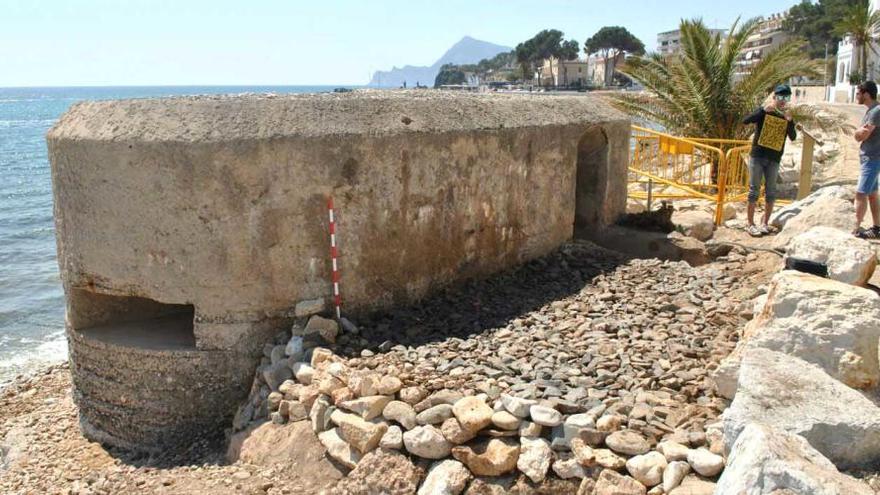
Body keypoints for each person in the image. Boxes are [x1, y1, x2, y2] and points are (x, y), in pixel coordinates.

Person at [741, 84, 798, 237]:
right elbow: (746, 120)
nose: (783, 101)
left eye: (786, 97)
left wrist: (790, 122)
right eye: (780, 97)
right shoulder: (765, 111)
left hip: (774, 158)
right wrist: (762, 111)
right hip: (758, 156)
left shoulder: (786, 115)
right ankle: (750, 224)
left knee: (771, 192)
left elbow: (793, 137)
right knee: (753, 191)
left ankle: (765, 223)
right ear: (774, 97)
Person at [853, 81, 880, 238]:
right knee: (872, 194)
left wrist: (857, 133)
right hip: (870, 158)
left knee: (861, 194)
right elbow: (860, 135)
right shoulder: (871, 111)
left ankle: (855, 229)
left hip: (872, 158)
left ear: (866, 94)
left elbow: (862, 135)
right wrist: (858, 133)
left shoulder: (876, 112)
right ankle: (877, 228)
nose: (857, 96)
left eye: (858, 93)